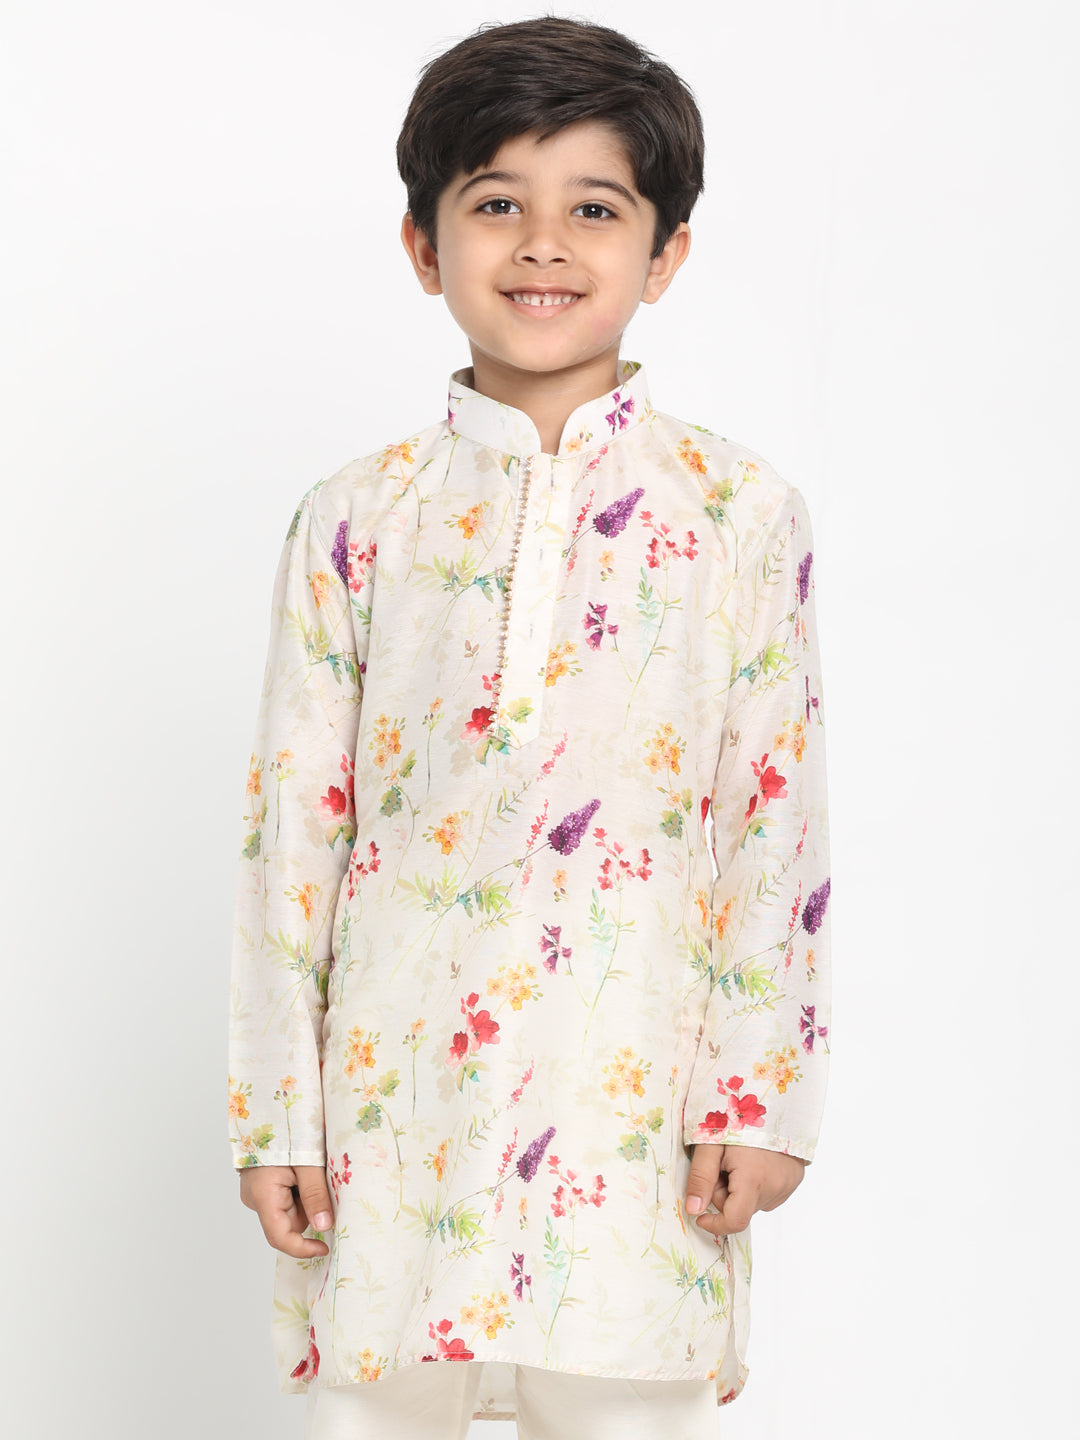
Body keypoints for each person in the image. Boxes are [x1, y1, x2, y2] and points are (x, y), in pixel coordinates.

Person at [227, 15, 831, 1440]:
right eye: (497, 203)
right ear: (423, 245)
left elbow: (776, 821)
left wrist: (758, 1096)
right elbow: (291, 834)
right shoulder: (357, 516)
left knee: (626, 1396)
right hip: (393, 1111)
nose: (543, 245)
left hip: (631, 1108)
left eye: (595, 210)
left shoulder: (739, 513)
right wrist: (277, 1115)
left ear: (665, 253)